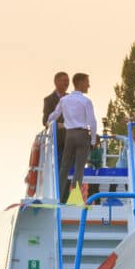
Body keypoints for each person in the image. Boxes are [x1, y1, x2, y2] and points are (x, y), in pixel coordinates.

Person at [48, 72, 99, 202]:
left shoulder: (64, 100)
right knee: (79, 168)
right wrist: (93, 140)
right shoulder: (86, 101)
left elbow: (53, 116)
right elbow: (92, 122)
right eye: (87, 82)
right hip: (82, 135)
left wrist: (51, 123)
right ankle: (75, 198)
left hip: (69, 135)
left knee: (64, 167)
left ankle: (57, 196)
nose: (89, 85)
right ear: (80, 83)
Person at [42, 71, 70, 161]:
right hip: (57, 141)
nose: (67, 83)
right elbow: (45, 121)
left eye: (68, 81)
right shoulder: (49, 100)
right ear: (56, 82)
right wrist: (59, 125)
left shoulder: (71, 98)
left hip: (71, 140)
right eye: (64, 80)